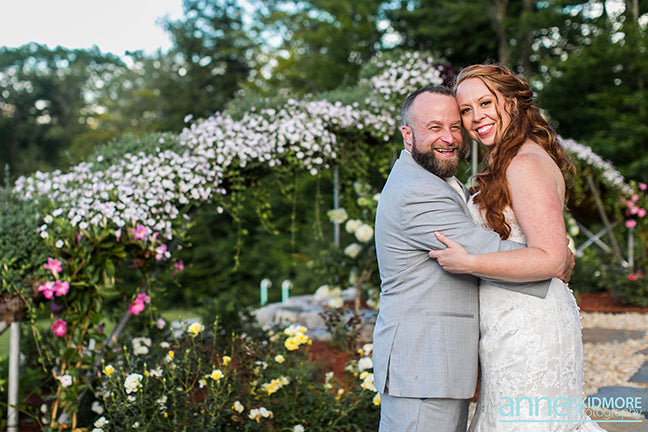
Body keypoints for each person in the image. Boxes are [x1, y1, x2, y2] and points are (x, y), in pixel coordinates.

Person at [372, 85, 572, 432]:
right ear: (407, 134)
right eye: (434, 127)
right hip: (424, 367)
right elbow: (484, 251)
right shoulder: (418, 191)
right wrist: (555, 257)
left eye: (455, 126)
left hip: (441, 365)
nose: (448, 137)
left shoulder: (435, 178)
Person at [429, 64, 605, 430]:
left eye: (485, 103)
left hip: (530, 329)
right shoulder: (510, 159)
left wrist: (470, 262)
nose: (476, 117)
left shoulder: (524, 163)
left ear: (511, 101)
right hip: (509, 324)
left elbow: (551, 257)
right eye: (465, 110)